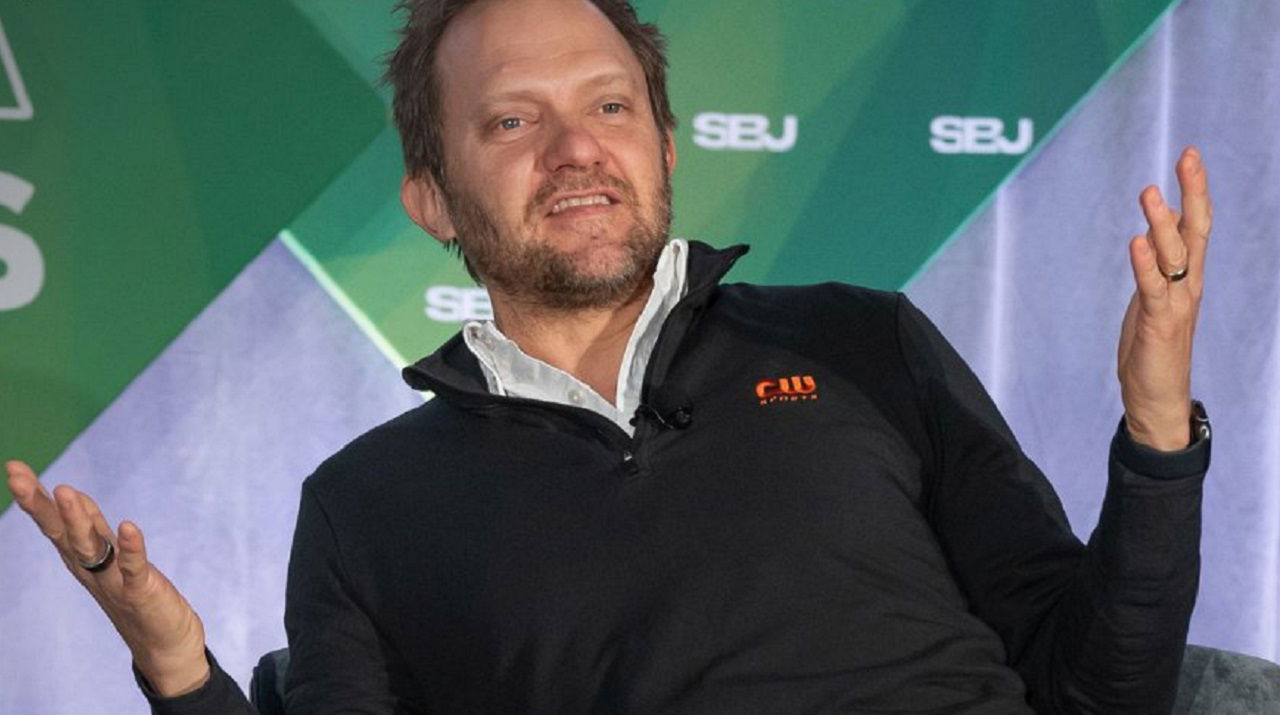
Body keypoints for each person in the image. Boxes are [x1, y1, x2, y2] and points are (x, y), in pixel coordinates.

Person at [4, 0, 1215, 712]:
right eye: (513, 120)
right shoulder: (365, 505)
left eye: (609, 105)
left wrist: (1156, 438)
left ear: (666, 145)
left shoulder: (859, 341)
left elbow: (1099, 689)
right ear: (431, 199)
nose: (576, 148)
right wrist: (180, 671)